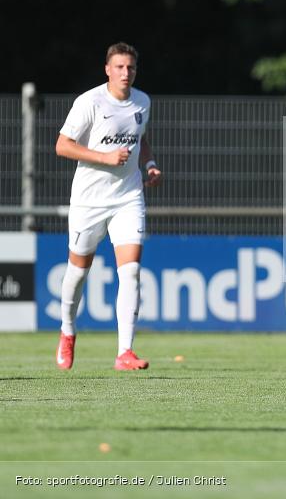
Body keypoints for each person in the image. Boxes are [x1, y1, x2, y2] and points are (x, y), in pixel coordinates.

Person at [54, 42, 162, 371]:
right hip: (89, 201)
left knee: (131, 271)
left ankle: (124, 352)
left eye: (130, 68)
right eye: (119, 67)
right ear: (107, 69)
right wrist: (104, 157)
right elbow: (62, 146)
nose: (125, 73)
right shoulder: (89, 102)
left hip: (128, 197)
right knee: (78, 273)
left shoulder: (142, 101)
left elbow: (139, 137)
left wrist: (150, 163)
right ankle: (68, 331)